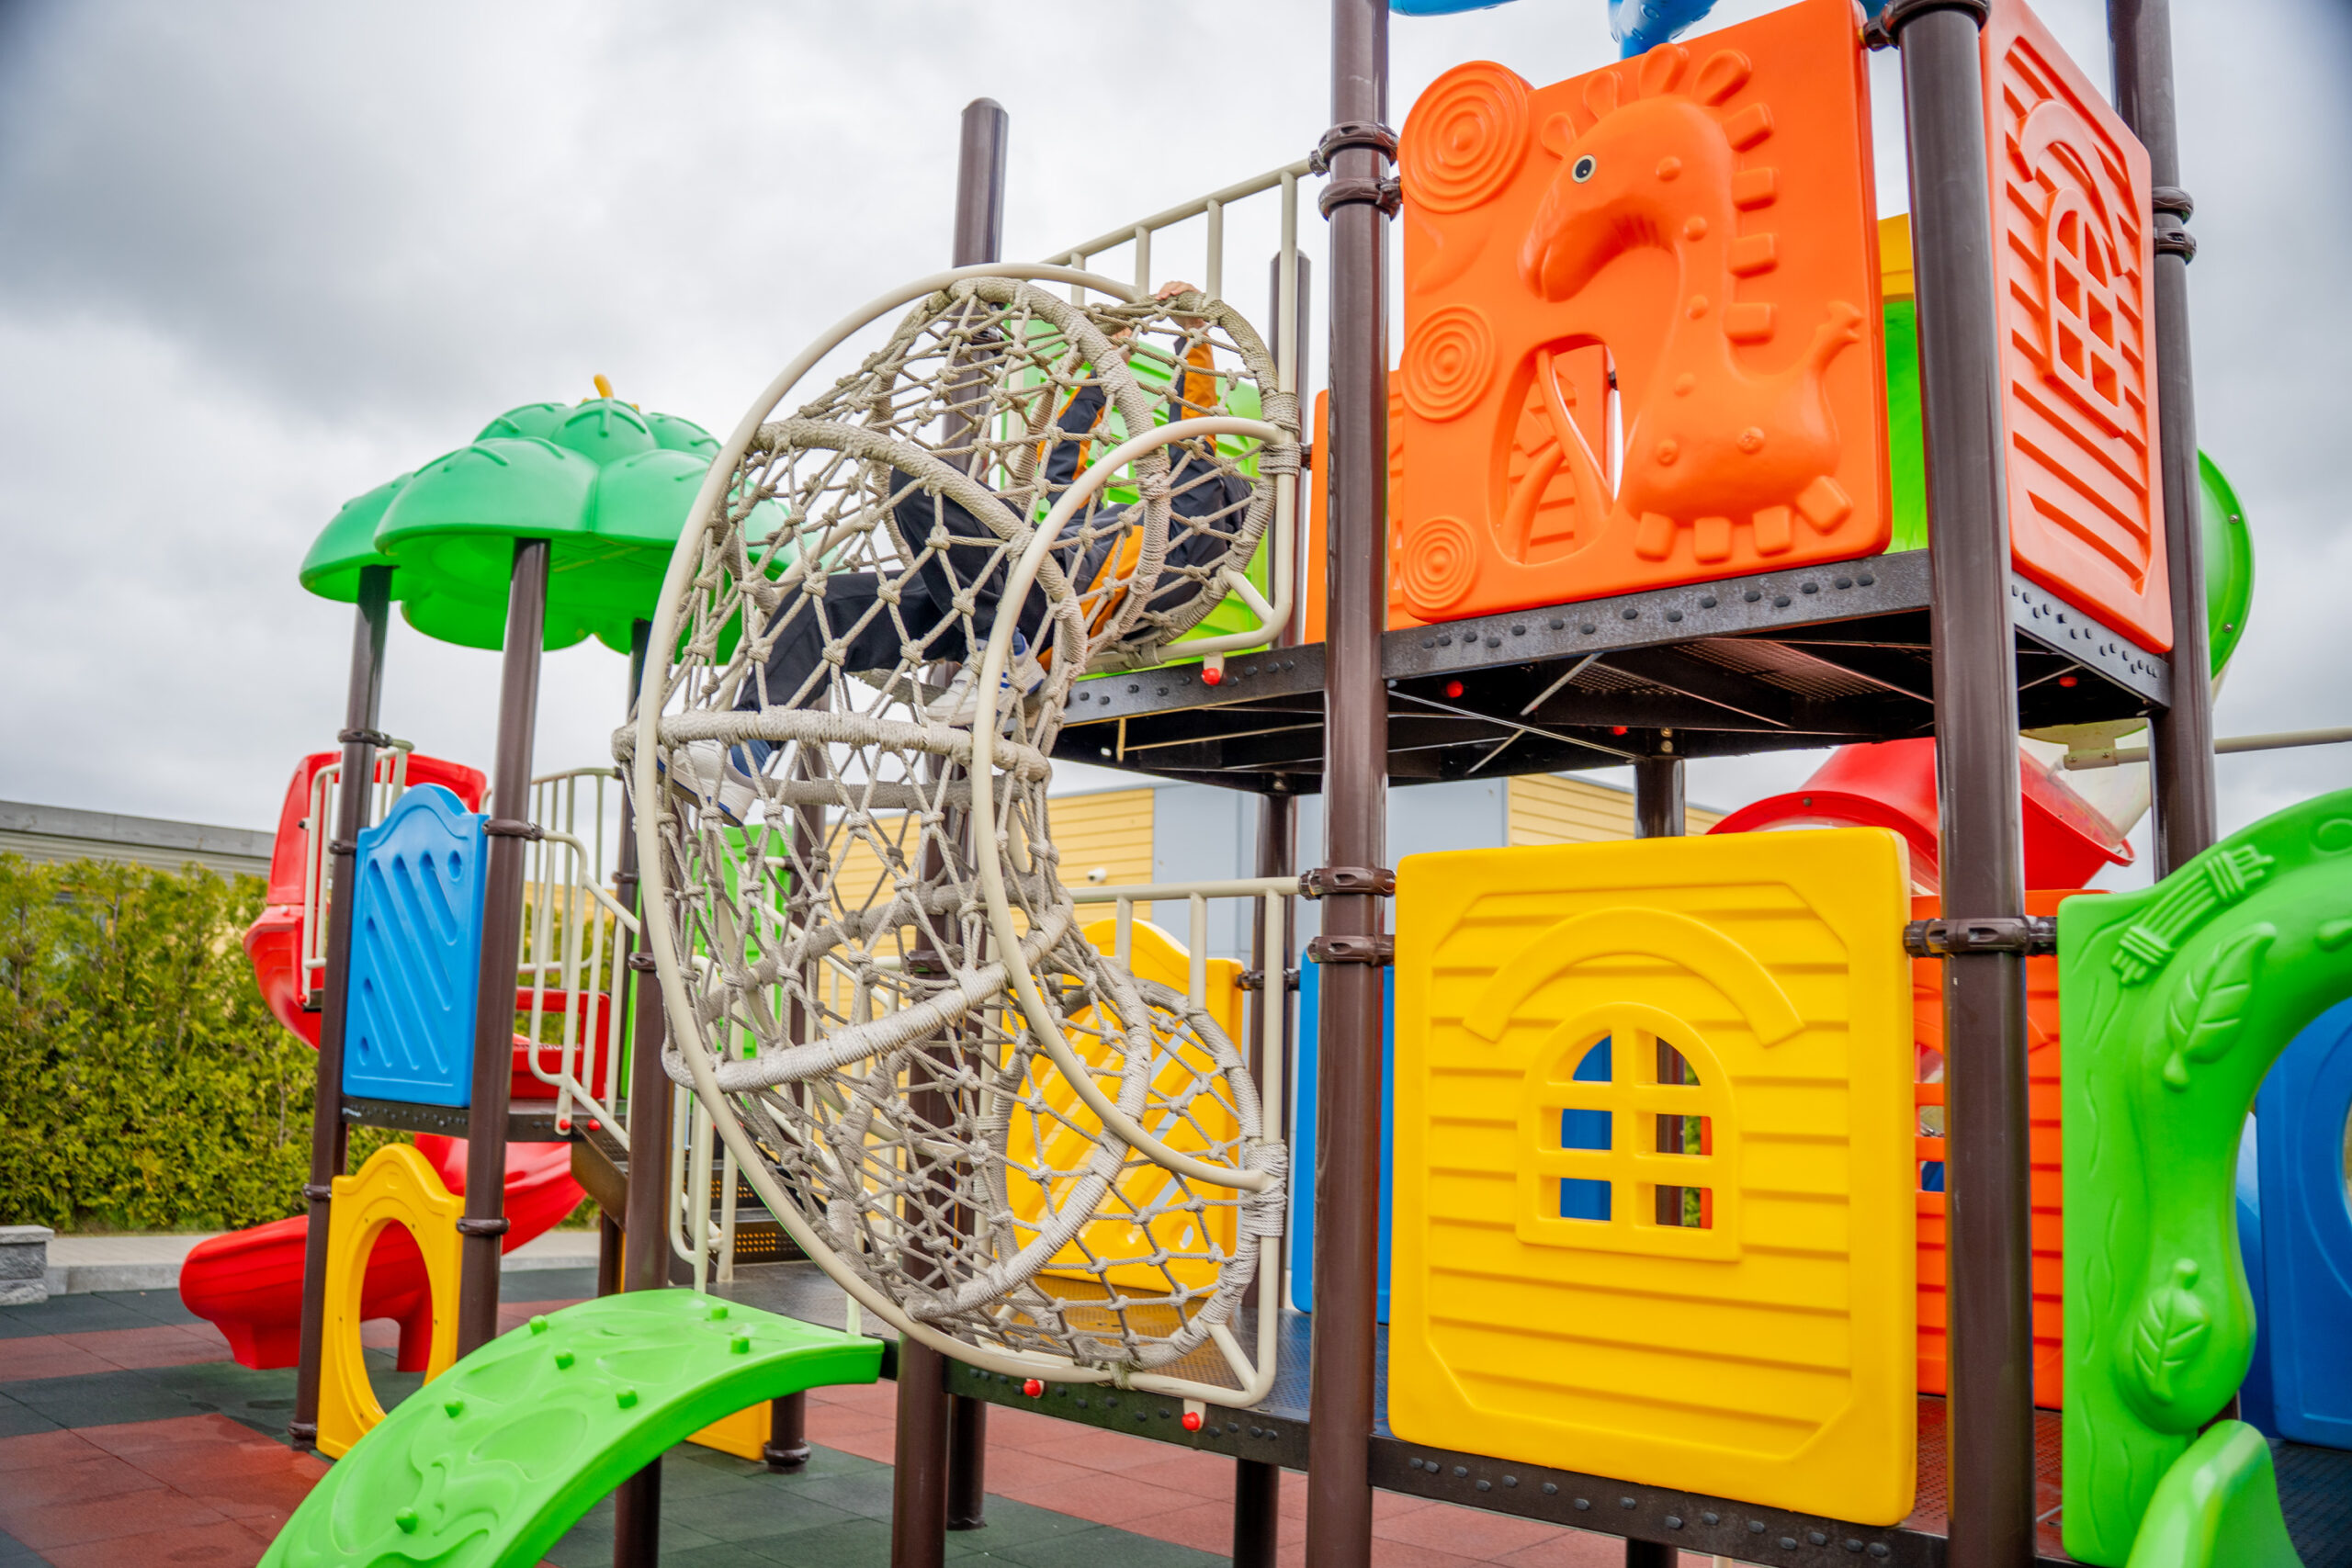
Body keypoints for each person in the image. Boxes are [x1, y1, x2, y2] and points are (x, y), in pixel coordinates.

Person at [670, 282, 1250, 822]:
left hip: (1054, 607)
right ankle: (742, 757)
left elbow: (1192, 426)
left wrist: (1193, 336)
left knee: (921, 480)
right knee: (822, 601)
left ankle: (1003, 656)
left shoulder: (1194, 511)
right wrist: (1104, 372)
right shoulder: (1108, 521)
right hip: (999, 595)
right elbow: (1061, 465)